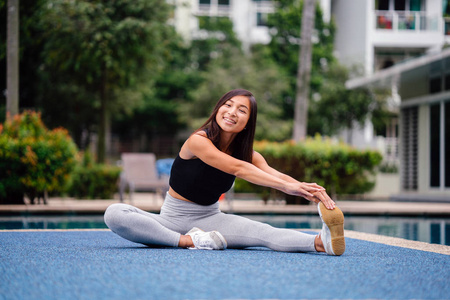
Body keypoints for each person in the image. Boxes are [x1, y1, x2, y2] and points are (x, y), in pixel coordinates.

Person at [104, 89, 345, 255]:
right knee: (114, 213)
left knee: (263, 232)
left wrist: (307, 188)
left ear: (248, 121)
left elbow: (275, 174)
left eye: (241, 110)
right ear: (218, 109)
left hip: (212, 220)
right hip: (169, 220)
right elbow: (238, 169)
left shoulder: (247, 153)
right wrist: (288, 188)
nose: (231, 112)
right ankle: (189, 242)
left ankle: (322, 243)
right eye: (227, 105)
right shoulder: (198, 141)